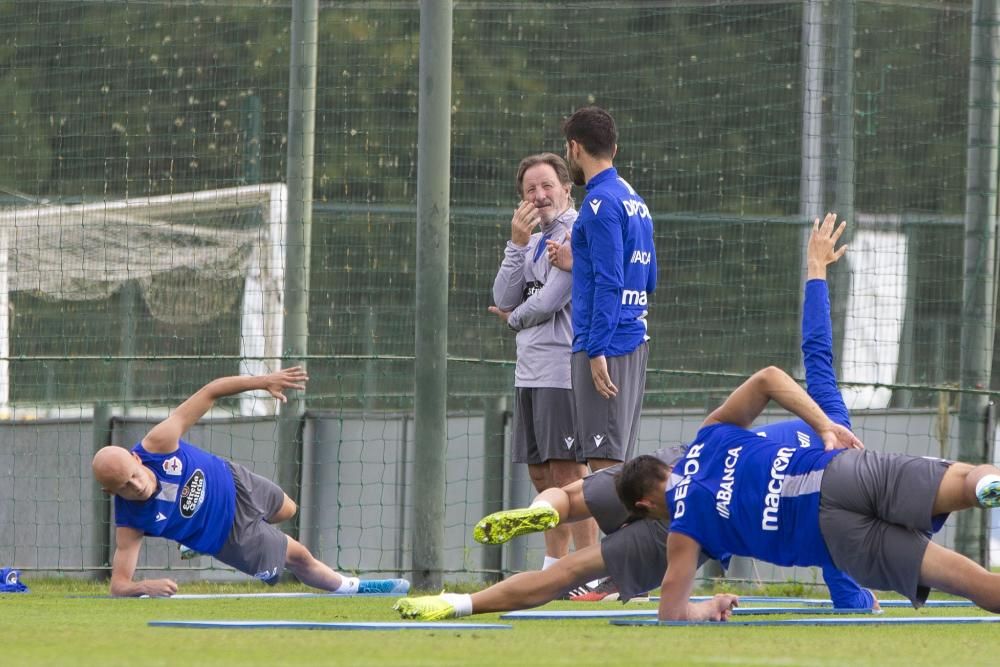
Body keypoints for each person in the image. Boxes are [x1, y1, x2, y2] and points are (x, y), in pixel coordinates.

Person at [394, 214, 875, 620]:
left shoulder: (830, 425)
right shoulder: (836, 528)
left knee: (576, 494)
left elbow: (813, 352)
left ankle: (536, 516)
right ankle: (457, 604)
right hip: (687, 519)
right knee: (572, 570)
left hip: (672, 466)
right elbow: (851, 604)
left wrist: (815, 268)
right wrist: (864, 599)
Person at [616, 275, 1000, 621]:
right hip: (843, 473)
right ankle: (987, 487)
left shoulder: (683, 530)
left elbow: (670, 613)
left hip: (837, 540)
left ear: (645, 506)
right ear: (665, 466)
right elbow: (773, 375)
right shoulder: (710, 433)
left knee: (976, 585)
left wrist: (707, 606)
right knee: (968, 480)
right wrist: (825, 426)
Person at [91, 367, 410, 598]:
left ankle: (191, 542)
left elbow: (211, 391)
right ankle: (353, 588)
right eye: (125, 488)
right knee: (299, 557)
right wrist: (144, 587)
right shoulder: (130, 522)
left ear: (135, 460)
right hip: (230, 536)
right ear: (111, 492)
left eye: (134, 476)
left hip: (234, 482)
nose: (136, 486)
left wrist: (264, 381)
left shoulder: (157, 444)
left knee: (288, 509)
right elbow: (118, 585)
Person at [488, 152, 597, 570]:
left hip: (562, 370)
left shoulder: (577, 234)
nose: (539, 195)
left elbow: (550, 300)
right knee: (541, 476)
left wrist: (513, 318)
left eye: (547, 185)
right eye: (530, 189)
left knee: (569, 475)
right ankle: (556, 566)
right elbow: (502, 294)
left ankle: (588, 569)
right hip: (528, 370)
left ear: (567, 189)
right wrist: (515, 244)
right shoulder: (531, 241)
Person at [560, 106, 657, 472]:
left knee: (605, 473)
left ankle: (635, 533)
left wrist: (597, 347)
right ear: (614, 150)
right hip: (634, 337)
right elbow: (649, 279)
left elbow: (610, 280)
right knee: (617, 467)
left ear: (574, 148)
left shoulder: (599, 205)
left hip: (606, 344)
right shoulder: (636, 201)